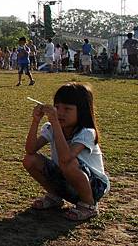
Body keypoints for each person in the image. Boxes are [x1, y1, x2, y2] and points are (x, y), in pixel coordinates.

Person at [22, 83, 110, 221]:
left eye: (67, 109)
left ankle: (89, 205)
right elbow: (30, 149)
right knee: (30, 159)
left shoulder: (86, 133)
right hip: (66, 179)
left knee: (69, 164)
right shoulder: (52, 128)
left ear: (81, 111)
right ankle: (54, 196)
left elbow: (66, 158)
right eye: (57, 107)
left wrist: (56, 124)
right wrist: (35, 121)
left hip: (94, 186)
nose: (60, 112)